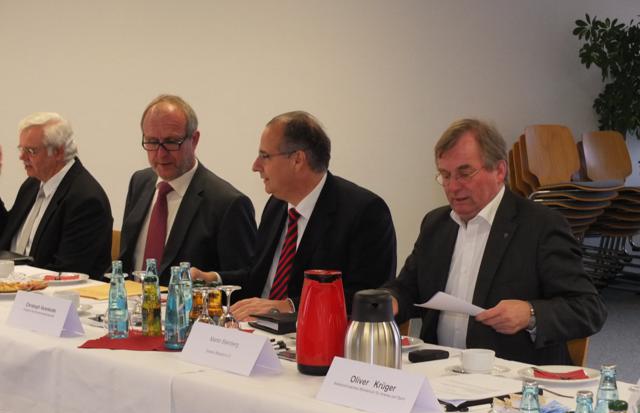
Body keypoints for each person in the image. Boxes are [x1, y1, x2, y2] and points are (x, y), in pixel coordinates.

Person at [382, 118, 606, 365]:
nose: (453, 187)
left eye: (464, 174)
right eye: (445, 175)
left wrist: (530, 313)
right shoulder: (436, 224)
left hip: (510, 375)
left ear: (499, 171)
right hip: (439, 369)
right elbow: (408, 288)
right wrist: (390, 300)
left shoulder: (541, 225)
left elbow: (588, 309)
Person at [193, 111, 397, 320]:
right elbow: (258, 277)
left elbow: (367, 297)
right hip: (257, 328)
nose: (255, 166)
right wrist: (212, 279)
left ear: (298, 159)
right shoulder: (277, 204)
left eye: (265, 156)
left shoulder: (364, 212)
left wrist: (289, 306)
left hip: (315, 333)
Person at [118, 94, 257, 285]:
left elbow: (247, 280)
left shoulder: (228, 203)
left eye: (171, 142)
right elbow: (125, 261)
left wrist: (208, 279)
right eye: (152, 142)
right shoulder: (139, 182)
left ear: (195, 139)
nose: (161, 154)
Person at [0, 112, 112, 279]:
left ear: (58, 152)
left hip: (49, 292)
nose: (22, 157)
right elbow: (6, 235)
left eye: (31, 151)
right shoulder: (32, 184)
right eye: (21, 149)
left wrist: (14, 284)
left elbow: (66, 272)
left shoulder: (86, 200)